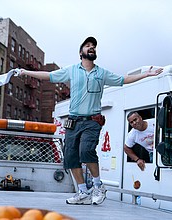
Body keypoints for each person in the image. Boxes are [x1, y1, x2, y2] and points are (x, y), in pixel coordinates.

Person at [19, 36, 163, 205]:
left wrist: (147, 74)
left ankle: (98, 186)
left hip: (92, 120)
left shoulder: (101, 73)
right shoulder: (72, 70)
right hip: (73, 120)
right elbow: (49, 76)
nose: (92, 47)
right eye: (88, 46)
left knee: (86, 151)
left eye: (94, 46)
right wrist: (26, 72)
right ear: (81, 52)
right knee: (71, 157)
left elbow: (123, 80)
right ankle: (82, 192)